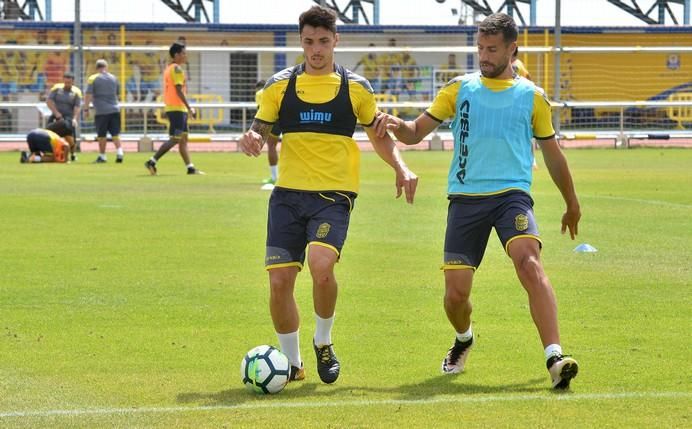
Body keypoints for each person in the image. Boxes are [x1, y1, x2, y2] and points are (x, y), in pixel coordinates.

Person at [373, 13, 580, 390]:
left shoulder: (532, 97)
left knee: (529, 263)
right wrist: (395, 124)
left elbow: (553, 154)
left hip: (511, 197)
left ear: (512, 48)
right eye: (480, 48)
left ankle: (555, 357)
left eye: (492, 49)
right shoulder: (459, 89)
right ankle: (464, 339)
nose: (484, 55)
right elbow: (416, 132)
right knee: (455, 296)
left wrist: (572, 202)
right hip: (466, 200)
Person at [238, 5, 418, 385]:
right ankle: (293, 365)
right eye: (308, 42)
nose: (315, 49)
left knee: (322, 268)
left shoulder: (356, 88)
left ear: (336, 40)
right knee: (279, 283)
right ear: (300, 41)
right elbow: (258, 130)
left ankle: (323, 341)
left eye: (323, 41)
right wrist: (251, 139)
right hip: (287, 196)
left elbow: (379, 136)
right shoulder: (279, 86)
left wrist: (401, 168)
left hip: (333, 195)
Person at [144, 41, 203, 175]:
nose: (185, 56)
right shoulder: (176, 69)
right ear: (176, 55)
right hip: (177, 108)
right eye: (183, 53)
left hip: (176, 108)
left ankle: (190, 167)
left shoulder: (169, 68)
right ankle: (152, 161)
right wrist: (189, 107)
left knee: (183, 139)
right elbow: (178, 90)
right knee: (176, 138)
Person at [84, 59, 123, 163]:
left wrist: (86, 109)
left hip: (101, 111)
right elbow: (118, 94)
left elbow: (88, 95)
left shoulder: (93, 78)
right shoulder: (114, 78)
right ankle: (120, 153)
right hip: (115, 109)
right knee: (115, 134)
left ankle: (102, 156)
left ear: (96, 68)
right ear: (106, 67)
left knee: (102, 135)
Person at [512, 47, 538, 169]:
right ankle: (531, 160)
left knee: (526, 132)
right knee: (527, 132)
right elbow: (529, 78)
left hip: (516, 103)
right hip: (521, 102)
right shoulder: (519, 64)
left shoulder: (514, 66)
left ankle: (531, 160)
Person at [46, 71, 82, 161]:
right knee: (48, 132)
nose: (67, 84)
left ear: (73, 82)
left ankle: (73, 153)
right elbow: (49, 101)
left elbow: (77, 106)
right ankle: (49, 152)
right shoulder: (57, 89)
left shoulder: (76, 92)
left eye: (69, 82)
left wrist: (74, 119)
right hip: (56, 115)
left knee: (69, 135)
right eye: (65, 82)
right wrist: (56, 113)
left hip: (68, 117)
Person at [254, 79, 280, 189]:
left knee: (271, 146)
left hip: (273, 120)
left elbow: (261, 111)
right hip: (285, 118)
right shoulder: (275, 89)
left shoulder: (259, 93)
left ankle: (274, 177)